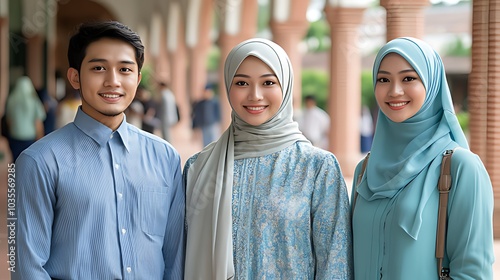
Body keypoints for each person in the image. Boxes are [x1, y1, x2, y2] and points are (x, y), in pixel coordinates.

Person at [13, 21, 185, 279]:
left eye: (125, 69)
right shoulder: (38, 161)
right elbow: (27, 267)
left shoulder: (165, 157)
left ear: (137, 79)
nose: (113, 81)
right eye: (98, 68)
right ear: (75, 77)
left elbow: (175, 256)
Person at [183, 38, 353, 279]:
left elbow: (335, 264)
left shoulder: (317, 168)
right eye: (241, 82)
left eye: (268, 82)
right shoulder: (198, 167)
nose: (255, 95)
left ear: (286, 87)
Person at [351, 37, 494, 279]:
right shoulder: (365, 170)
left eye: (409, 78)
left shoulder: (460, 168)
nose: (394, 90)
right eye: (383, 79)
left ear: (432, 84)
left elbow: (473, 272)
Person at [5, 76, 46, 161]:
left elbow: (9, 121)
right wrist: (40, 140)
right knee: (28, 162)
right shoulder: (34, 101)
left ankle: (12, 174)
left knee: (14, 161)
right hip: (29, 138)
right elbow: (38, 122)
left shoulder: (11, 100)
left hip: (14, 137)